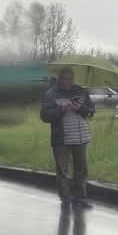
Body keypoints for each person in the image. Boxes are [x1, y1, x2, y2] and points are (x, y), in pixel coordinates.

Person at [40, 68, 96, 209]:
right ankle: (66, 199)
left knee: (81, 169)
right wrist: (61, 110)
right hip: (61, 139)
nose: (67, 81)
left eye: (70, 78)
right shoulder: (51, 94)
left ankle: (80, 198)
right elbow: (44, 116)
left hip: (80, 137)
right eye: (64, 78)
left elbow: (91, 111)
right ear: (59, 79)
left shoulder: (81, 91)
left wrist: (79, 108)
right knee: (63, 171)